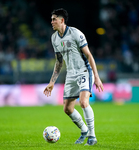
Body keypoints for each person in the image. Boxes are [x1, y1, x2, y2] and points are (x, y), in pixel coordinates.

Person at [43, 8, 104, 146]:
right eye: (51, 19)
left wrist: (96, 76)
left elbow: (89, 55)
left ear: (62, 20)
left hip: (83, 71)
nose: (52, 22)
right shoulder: (54, 38)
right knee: (67, 109)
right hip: (70, 74)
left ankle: (92, 136)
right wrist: (52, 82)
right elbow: (59, 62)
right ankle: (84, 130)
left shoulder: (76, 33)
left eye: (54, 19)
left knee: (83, 102)